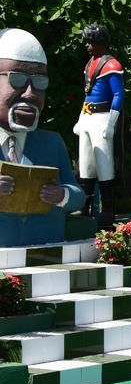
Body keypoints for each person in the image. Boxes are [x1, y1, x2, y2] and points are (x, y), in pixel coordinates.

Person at [0, 29, 86, 246]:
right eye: (17, 79)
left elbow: (77, 195)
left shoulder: (52, 142)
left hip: (45, 252)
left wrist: (62, 195)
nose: (30, 93)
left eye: (40, 83)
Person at [74, 24, 124, 227]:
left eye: (90, 42)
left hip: (102, 117)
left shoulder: (112, 65)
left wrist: (111, 124)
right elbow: (87, 94)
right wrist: (80, 119)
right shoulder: (90, 63)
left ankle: (108, 211)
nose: (87, 45)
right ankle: (84, 207)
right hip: (88, 117)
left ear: (100, 43)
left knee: (105, 165)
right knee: (85, 166)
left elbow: (118, 95)